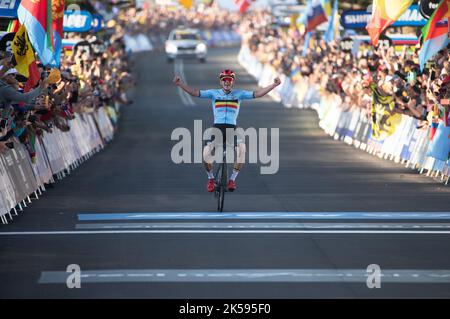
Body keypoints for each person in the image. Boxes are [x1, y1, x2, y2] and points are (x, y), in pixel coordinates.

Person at [173, 69, 281, 192]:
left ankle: (232, 180)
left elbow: (258, 94)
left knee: (242, 150)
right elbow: (194, 93)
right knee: (205, 153)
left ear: (233, 82)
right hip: (217, 128)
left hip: (232, 129)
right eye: (224, 80)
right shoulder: (213, 93)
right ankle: (211, 179)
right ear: (221, 82)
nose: (227, 82)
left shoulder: (239, 94)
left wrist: (274, 85)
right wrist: (180, 84)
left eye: (229, 80)